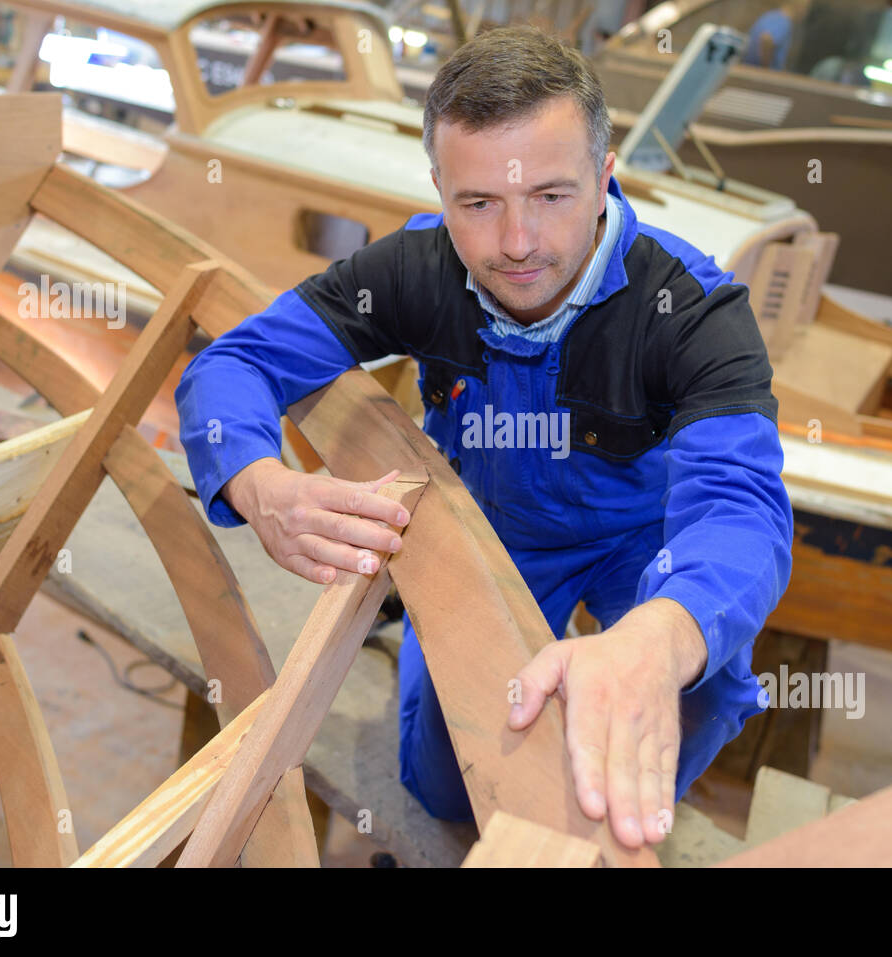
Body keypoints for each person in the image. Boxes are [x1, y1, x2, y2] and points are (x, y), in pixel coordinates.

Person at [175, 25, 793, 849]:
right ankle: (432, 674)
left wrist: (663, 631)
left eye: (551, 195)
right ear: (438, 189)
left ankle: (609, 816)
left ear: (606, 175)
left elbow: (744, 507)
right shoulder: (412, 273)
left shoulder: (694, 311)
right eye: (478, 204)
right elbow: (235, 363)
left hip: (637, 543)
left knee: (700, 686)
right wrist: (259, 481)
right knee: (447, 784)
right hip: (490, 533)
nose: (517, 244)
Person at [742, 0, 810, 71]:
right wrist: (766, 68)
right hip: (758, 71)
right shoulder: (783, 22)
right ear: (799, 7)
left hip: (748, 67)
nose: (806, 13)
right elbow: (766, 38)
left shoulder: (771, 15)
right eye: (806, 9)